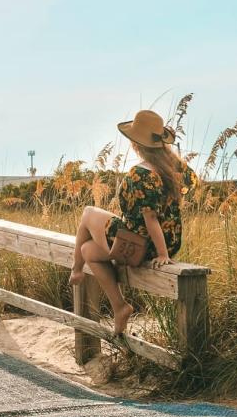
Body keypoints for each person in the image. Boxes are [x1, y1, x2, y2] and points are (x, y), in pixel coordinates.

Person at [69, 109, 198, 335]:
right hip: (170, 241)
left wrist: (161, 254)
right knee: (88, 249)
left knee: (88, 212)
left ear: (136, 144)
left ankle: (76, 270)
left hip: (138, 246)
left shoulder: (139, 174)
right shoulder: (176, 168)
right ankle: (120, 307)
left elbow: (150, 218)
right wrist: (167, 249)